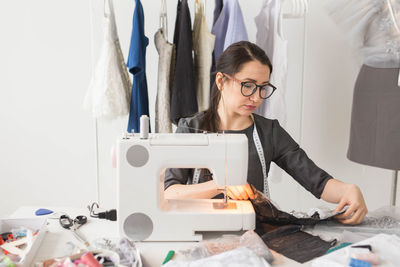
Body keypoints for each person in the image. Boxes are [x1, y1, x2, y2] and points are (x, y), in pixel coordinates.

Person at [164, 41, 367, 225]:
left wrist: (348, 190)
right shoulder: (190, 128)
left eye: (263, 88)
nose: (256, 98)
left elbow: (318, 182)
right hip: (198, 232)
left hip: (252, 233)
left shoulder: (269, 132)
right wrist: (221, 186)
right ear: (221, 81)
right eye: (248, 86)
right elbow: (169, 192)